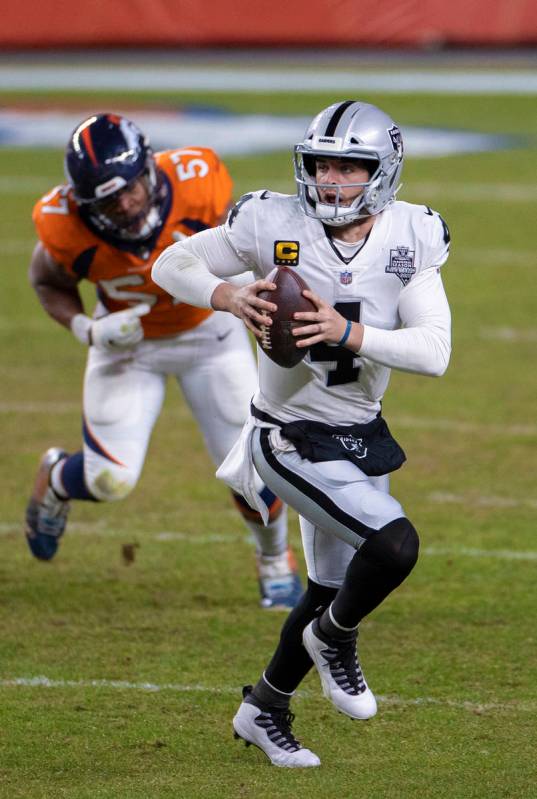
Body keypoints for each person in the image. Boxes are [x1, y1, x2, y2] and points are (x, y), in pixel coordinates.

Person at [151, 99, 451, 767]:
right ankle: (334, 638)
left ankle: (263, 706)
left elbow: (434, 351)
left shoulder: (412, 234)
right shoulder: (272, 220)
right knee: (394, 545)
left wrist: (348, 332)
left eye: (348, 167)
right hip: (286, 433)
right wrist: (225, 295)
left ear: (382, 173)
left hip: (359, 428)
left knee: (326, 585)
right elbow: (169, 265)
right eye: (321, 165)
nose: (329, 180)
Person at [26, 112, 303, 611]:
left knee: (251, 465)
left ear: (149, 167)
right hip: (128, 349)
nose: (128, 203)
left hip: (209, 334)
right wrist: (87, 328)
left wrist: (248, 292)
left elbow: (243, 246)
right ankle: (57, 478)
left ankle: (273, 558)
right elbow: (47, 280)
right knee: (110, 479)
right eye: (109, 199)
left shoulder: (200, 183)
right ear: (83, 202)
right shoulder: (62, 223)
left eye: (132, 187)